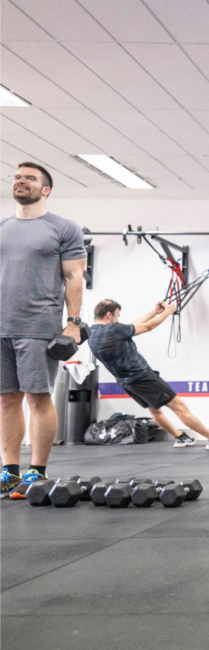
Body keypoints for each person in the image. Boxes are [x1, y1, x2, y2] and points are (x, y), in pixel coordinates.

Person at [1, 163, 87, 498]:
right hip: (1, 325)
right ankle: (9, 472)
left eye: (29, 178)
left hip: (38, 325)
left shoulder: (63, 227)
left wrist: (74, 322)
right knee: (6, 399)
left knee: (38, 397)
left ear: (45, 189)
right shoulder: (2, 227)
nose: (20, 180)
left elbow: (73, 277)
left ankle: (37, 471)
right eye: (16, 177)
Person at [89, 300, 209, 450]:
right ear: (108, 315)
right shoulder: (114, 330)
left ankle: (180, 437)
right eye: (117, 316)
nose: (118, 319)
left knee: (154, 410)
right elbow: (148, 327)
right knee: (180, 407)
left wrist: (154, 312)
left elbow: (130, 326)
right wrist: (168, 312)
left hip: (125, 381)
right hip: (143, 377)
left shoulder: (92, 332)